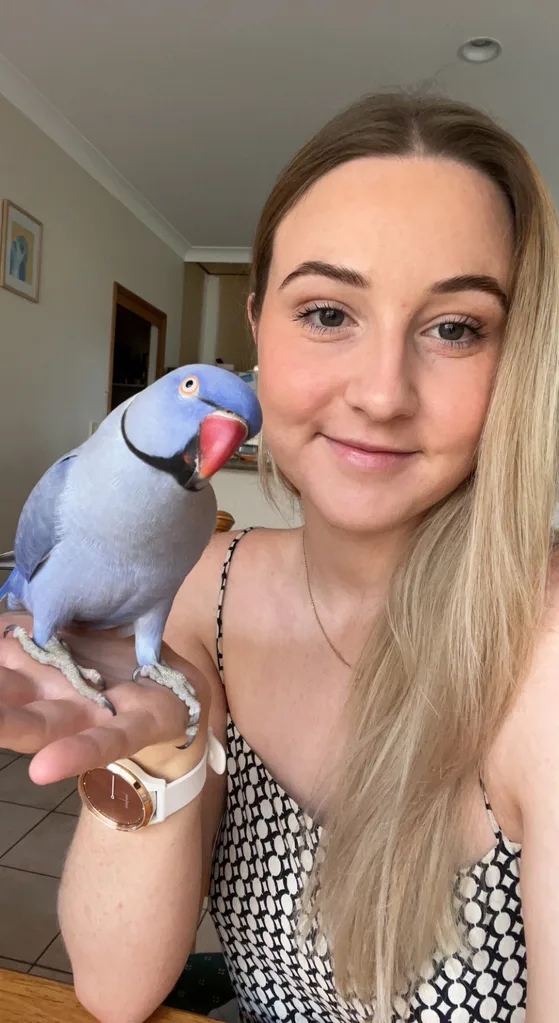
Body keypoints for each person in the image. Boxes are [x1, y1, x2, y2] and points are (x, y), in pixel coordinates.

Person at [1, 92, 558, 1023]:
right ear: (258, 328)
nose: (381, 393)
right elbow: (115, 988)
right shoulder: (201, 588)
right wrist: (167, 748)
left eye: (454, 327)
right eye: (329, 311)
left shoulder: (542, 651)